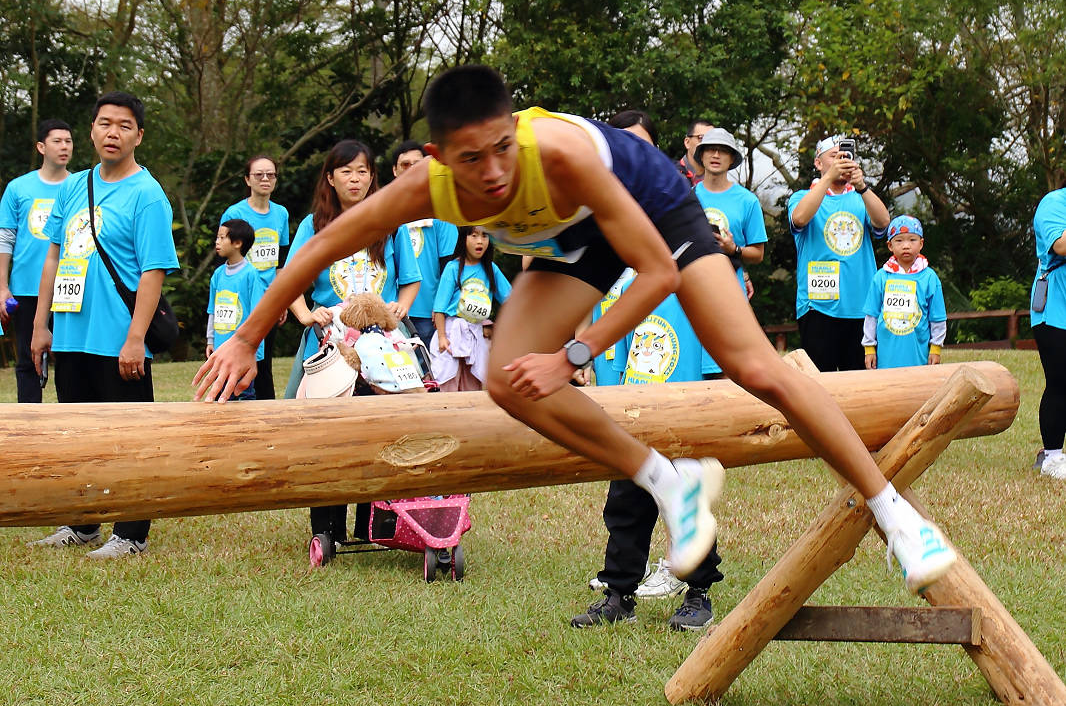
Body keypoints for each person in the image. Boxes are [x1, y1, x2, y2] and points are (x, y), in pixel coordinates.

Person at [195, 66, 957, 594]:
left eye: (502, 148)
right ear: (436, 159)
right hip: (565, 247)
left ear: (515, 133)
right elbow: (323, 246)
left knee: (754, 367)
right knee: (502, 381)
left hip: (653, 215)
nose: (492, 171)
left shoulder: (556, 155)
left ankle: (896, 515)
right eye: (471, 158)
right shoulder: (423, 188)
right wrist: (242, 337)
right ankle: (669, 479)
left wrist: (575, 354)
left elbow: (655, 271)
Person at [31, 92, 180, 557]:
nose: (112, 132)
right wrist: (41, 325)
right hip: (72, 331)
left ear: (139, 135)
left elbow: (153, 270)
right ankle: (82, 523)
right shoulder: (76, 185)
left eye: (124, 125)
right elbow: (54, 254)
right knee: (78, 435)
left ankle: (132, 533)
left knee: (128, 438)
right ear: (91, 131)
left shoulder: (147, 194)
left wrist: (135, 339)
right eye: (104, 123)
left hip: (118, 337)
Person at [285, 138, 421, 552]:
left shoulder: (390, 223)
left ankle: (374, 526)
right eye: (346, 171)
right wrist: (307, 314)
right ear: (330, 177)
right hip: (330, 345)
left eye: (363, 170)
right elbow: (290, 279)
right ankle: (326, 528)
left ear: (373, 177)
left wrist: (401, 306)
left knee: (382, 432)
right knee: (328, 435)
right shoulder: (314, 225)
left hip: (384, 346)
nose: (356, 178)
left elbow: (410, 280)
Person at [573, 288, 725, 631]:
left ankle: (698, 593)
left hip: (687, 413)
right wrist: (612, 408)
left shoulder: (700, 291)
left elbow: (716, 362)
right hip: (635, 418)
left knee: (689, 504)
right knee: (625, 507)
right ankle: (619, 595)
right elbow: (617, 353)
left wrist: (711, 414)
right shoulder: (632, 290)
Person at [788, 136, 890, 371]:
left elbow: (883, 222)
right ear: (818, 163)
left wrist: (862, 186)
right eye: (834, 157)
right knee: (819, 384)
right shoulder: (801, 197)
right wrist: (828, 180)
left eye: (845, 156)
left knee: (859, 386)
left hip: (861, 308)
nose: (840, 161)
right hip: (817, 306)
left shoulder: (860, 198)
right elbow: (800, 218)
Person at [0, 119, 74, 402]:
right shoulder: (18, 188)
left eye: (68, 141)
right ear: (41, 147)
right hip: (27, 288)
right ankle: (29, 422)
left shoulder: (80, 186)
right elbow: (5, 239)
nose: (64, 146)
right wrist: (2, 286)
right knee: (27, 360)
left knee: (69, 360)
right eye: (57, 141)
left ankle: (72, 418)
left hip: (70, 287)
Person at [692, 127, 767, 379]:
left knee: (730, 369)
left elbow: (758, 254)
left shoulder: (747, 201)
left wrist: (733, 249)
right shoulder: (687, 197)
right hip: (692, 290)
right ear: (700, 156)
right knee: (692, 365)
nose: (715, 155)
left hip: (730, 291)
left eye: (723, 151)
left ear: (732, 159)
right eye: (710, 149)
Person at [220, 154, 290, 400]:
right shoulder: (234, 212)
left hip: (269, 298)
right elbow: (226, 257)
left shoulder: (281, 214)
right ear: (247, 180)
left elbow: (280, 262)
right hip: (242, 298)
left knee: (264, 360)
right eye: (258, 174)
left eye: (270, 174)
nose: (265, 179)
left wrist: (282, 299)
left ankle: (267, 413)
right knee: (238, 356)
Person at [390, 140, 458, 349]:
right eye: (405, 165)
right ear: (394, 170)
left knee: (428, 375)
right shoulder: (385, 210)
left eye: (417, 164)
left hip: (427, 311)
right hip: (388, 307)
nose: (411, 169)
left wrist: (441, 305)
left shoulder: (441, 210)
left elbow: (450, 265)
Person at [431, 226, 511, 391]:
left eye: (484, 236)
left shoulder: (491, 269)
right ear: (463, 239)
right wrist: (442, 337)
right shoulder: (453, 268)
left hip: (476, 334)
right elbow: (439, 308)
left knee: (473, 383)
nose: (480, 241)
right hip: (451, 333)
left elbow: (511, 299)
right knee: (447, 382)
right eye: (474, 236)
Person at [863, 217, 946, 371]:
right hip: (886, 356)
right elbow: (871, 315)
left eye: (912, 240)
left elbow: (938, 317)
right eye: (899, 241)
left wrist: (936, 348)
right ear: (890, 245)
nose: (906, 246)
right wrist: (869, 348)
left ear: (921, 243)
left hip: (918, 355)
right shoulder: (881, 277)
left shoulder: (929, 278)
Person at [205, 218, 265, 399]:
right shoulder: (217, 275)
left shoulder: (251, 274)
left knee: (243, 394)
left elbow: (259, 315)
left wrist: (255, 349)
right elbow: (212, 311)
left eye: (222, 238)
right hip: (221, 350)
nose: (217, 242)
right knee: (221, 394)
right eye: (217, 237)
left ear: (238, 243)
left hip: (242, 352)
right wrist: (210, 340)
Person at [1029, 185, 1066, 480]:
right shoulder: (1053, 203)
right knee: (1060, 381)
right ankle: (1052, 457)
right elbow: (1061, 246)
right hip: (1055, 308)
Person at [678, 118, 711, 185]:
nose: (707, 144)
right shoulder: (671, 175)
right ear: (687, 142)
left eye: (712, 140)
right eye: (701, 138)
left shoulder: (718, 179)